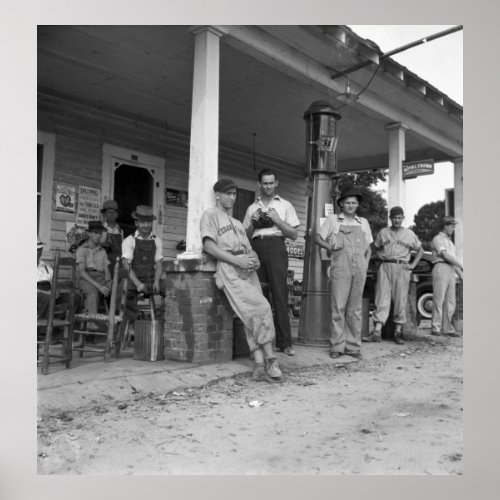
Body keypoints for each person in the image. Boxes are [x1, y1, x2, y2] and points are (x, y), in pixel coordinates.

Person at [201, 178, 282, 383]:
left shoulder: (237, 223)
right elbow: (209, 247)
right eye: (227, 193)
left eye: (234, 194)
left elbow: (250, 248)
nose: (231, 197)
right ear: (217, 195)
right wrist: (236, 260)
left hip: (247, 268)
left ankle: (259, 366)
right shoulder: (210, 215)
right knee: (261, 307)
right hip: (229, 268)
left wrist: (254, 260)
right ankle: (272, 360)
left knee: (249, 316)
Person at [243, 168, 300, 357]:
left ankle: (285, 343)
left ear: (276, 183)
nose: (268, 186)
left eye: (271, 183)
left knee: (279, 295)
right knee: (258, 296)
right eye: (264, 183)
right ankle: (260, 343)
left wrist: (276, 220)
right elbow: (245, 236)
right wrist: (253, 223)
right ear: (259, 184)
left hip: (277, 247)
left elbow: (293, 234)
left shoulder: (285, 205)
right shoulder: (252, 208)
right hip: (256, 248)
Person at [314, 189, 373, 359]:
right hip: (340, 266)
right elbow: (318, 238)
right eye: (347, 202)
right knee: (338, 307)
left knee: (355, 309)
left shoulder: (363, 222)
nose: (351, 205)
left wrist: (365, 262)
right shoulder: (333, 220)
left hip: (359, 267)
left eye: (354, 203)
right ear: (341, 204)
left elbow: (368, 248)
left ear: (357, 205)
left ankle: (353, 346)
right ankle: (337, 346)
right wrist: (330, 247)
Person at [363, 206, 424, 345]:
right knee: (381, 298)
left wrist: (412, 265)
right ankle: (377, 332)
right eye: (394, 218)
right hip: (385, 266)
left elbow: (420, 250)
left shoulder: (409, 234)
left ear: (403, 218)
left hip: (401, 266)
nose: (397, 220)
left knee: (400, 299)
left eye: (399, 218)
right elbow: (376, 247)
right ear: (390, 218)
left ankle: (397, 332)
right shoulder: (383, 232)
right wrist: (380, 257)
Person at [121, 205, 165, 334]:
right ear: (136, 223)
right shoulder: (129, 241)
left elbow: (159, 264)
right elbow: (126, 265)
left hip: (151, 278)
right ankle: (135, 323)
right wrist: (138, 283)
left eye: (148, 222)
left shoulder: (157, 241)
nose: (145, 225)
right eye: (142, 222)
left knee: (172, 290)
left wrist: (157, 281)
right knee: (125, 292)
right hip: (135, 279)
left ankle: (159, 319)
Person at [430, 216, 463, 337]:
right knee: (439, 298)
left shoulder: (450, 242)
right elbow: (445, 256)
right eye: (452, 226)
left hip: (450, 270)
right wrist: (462, 265)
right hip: (441, 267)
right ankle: (436, 327)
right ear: (445, 226)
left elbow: (453, 262)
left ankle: (447, 328)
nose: (453, 229)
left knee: (450, 301)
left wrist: (461, 275)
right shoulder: (437, 239)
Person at [75, 221, 111, 332]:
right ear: (89, 234)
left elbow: (106, 270)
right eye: (95, 233)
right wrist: (99, 286)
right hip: (86, 278)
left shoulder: (103, 251)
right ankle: (91, 323)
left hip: (101, 278)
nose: (98, 236)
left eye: (100, 233)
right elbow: (82, 272)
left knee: (116, 292)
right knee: (92, 293)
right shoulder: (82, 249)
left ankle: (115, 327)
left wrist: (109, 283)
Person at [37, 236, 81, 321]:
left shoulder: (46, 267)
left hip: (50, 294)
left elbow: (54, 284)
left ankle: (60, 322)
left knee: (76, 297)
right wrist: (46, 293)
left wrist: (56, 291)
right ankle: (43, 328)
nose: (38, 252)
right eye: (36, 249)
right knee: (47, 299)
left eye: (40, 249)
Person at [100, 199, 124, 277]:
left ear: (117, 214)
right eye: (108, 212)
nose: (111, 215)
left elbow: (123, 248)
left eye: (113, 212)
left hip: (118, 262)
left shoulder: (120, 230)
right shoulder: (100, 228)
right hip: (105, 262)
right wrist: (104, 244)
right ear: (105, 214)